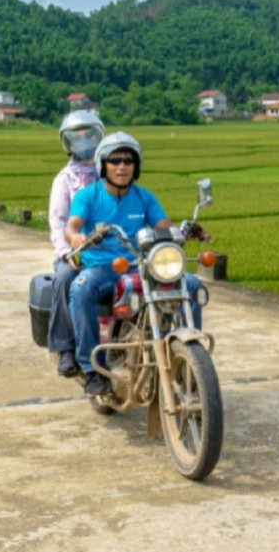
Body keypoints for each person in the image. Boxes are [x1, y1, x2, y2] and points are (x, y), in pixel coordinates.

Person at [65, 131, 206, 396]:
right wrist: (77, 238)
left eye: (128, 161)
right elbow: (71, 227)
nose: (122, 166)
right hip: (102, 268)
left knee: (192, 284)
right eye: (115, 160)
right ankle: (90, 368)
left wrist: (185, 232)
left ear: (136, 166)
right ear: (102, 165)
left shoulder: (144, 197)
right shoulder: (88, 196)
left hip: (139, 265)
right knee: (80, 288)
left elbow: (164, 227)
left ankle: (191, 356)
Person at [46, 110, 104, 377]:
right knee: (65, 277)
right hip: (76, 251)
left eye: (88, 135)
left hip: (109, 249)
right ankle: (65, 347)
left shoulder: (111, 172)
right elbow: (58, 222)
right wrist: (66, 252)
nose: (83, 142)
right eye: (76, 137)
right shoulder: (65, 179)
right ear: (67, 142)